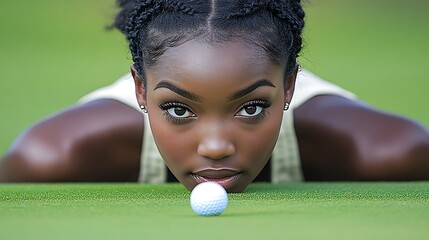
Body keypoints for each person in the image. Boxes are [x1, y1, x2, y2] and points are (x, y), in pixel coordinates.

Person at [1, 0, 428, 192]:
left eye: (251, 107)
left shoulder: (388, 149)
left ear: (290, 88)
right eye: (179, 109)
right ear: (140, 90)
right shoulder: (53, 152)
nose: (216, 146)